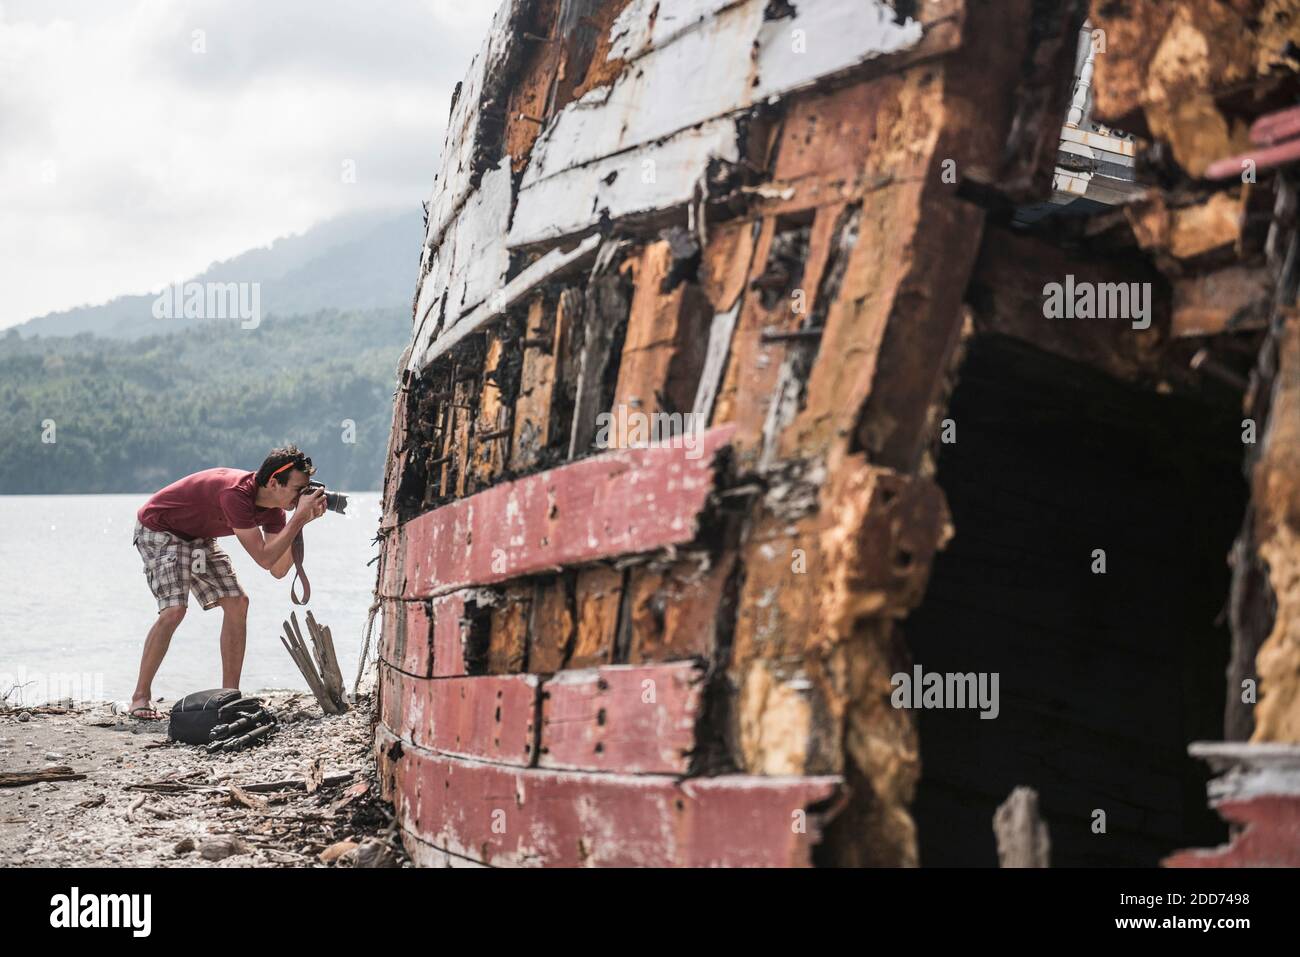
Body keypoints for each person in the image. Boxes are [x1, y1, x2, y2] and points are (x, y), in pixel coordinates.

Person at [126, 445, 327, 719]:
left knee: (237, 603)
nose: (301, 496)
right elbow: (265, 558)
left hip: (198, 537)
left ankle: (229, 697)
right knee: (174, 610)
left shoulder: (274, 509)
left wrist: (301, 521)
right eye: (297, 489)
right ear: (273, 482)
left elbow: (278, 569)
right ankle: (140, 698)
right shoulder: (236, 495)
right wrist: (298, 518)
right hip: (160, 529)